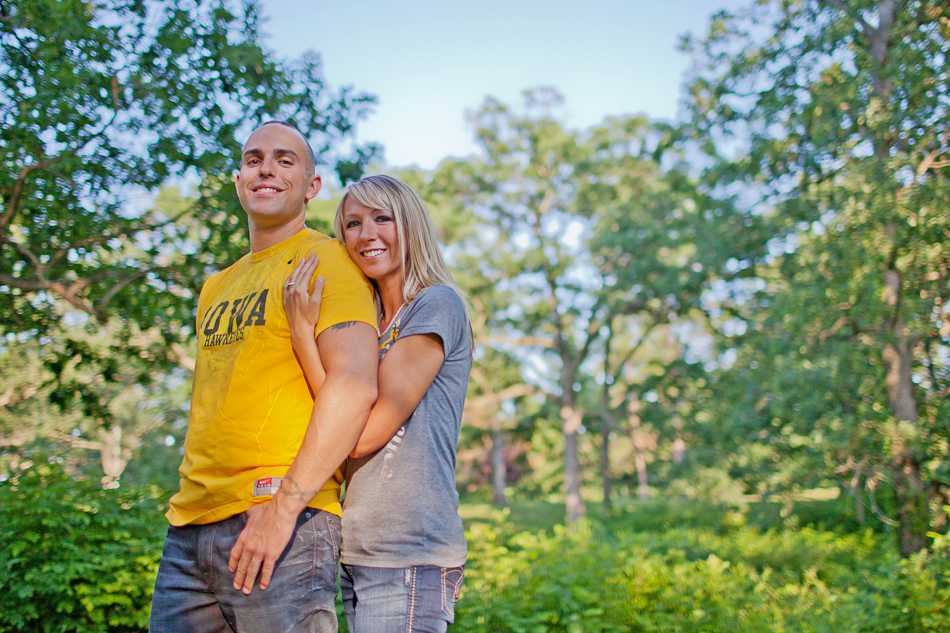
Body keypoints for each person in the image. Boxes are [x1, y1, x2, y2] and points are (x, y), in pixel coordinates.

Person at [149, 121, 379, 633]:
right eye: (253, 160)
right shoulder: (216, 285)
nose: (266, 168)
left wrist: (284, 507)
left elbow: (354, 387)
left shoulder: (329, 261)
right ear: (239, 181)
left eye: (284, 159)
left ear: (311, 187)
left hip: (284, 521)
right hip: (189, 527)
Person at [282, 175, 472, 633]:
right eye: (352, 223)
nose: (367, 235)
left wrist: (303, 335)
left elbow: (361, 434)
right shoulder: (367, 326)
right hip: (356, 549)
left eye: (382, 218)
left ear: (410, 225)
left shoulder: (435, 305)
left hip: (409, 552)